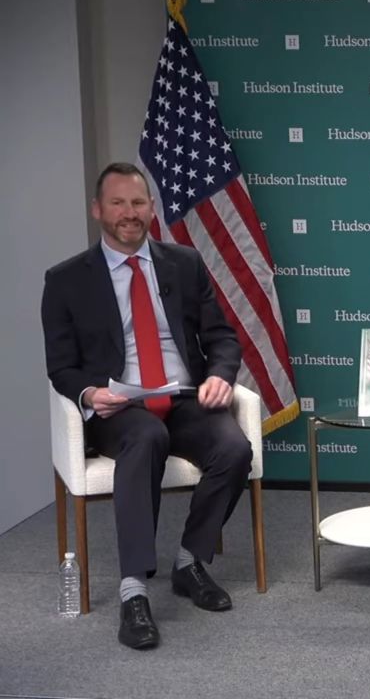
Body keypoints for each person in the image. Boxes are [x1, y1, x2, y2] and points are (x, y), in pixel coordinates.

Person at [42, 163, 252, 650]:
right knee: (146, 436)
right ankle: (133, 590)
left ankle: (189, 562)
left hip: (183, 398)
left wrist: (219, 375)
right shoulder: (66, 279)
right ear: (98, 210)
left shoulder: (184, 263)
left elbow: (221, 337)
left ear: (151, 209)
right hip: (118, 409)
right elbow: (61, 367)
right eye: (117, 203)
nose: (129, 213)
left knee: (234, 448)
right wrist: (89, 394)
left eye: (137, 203)